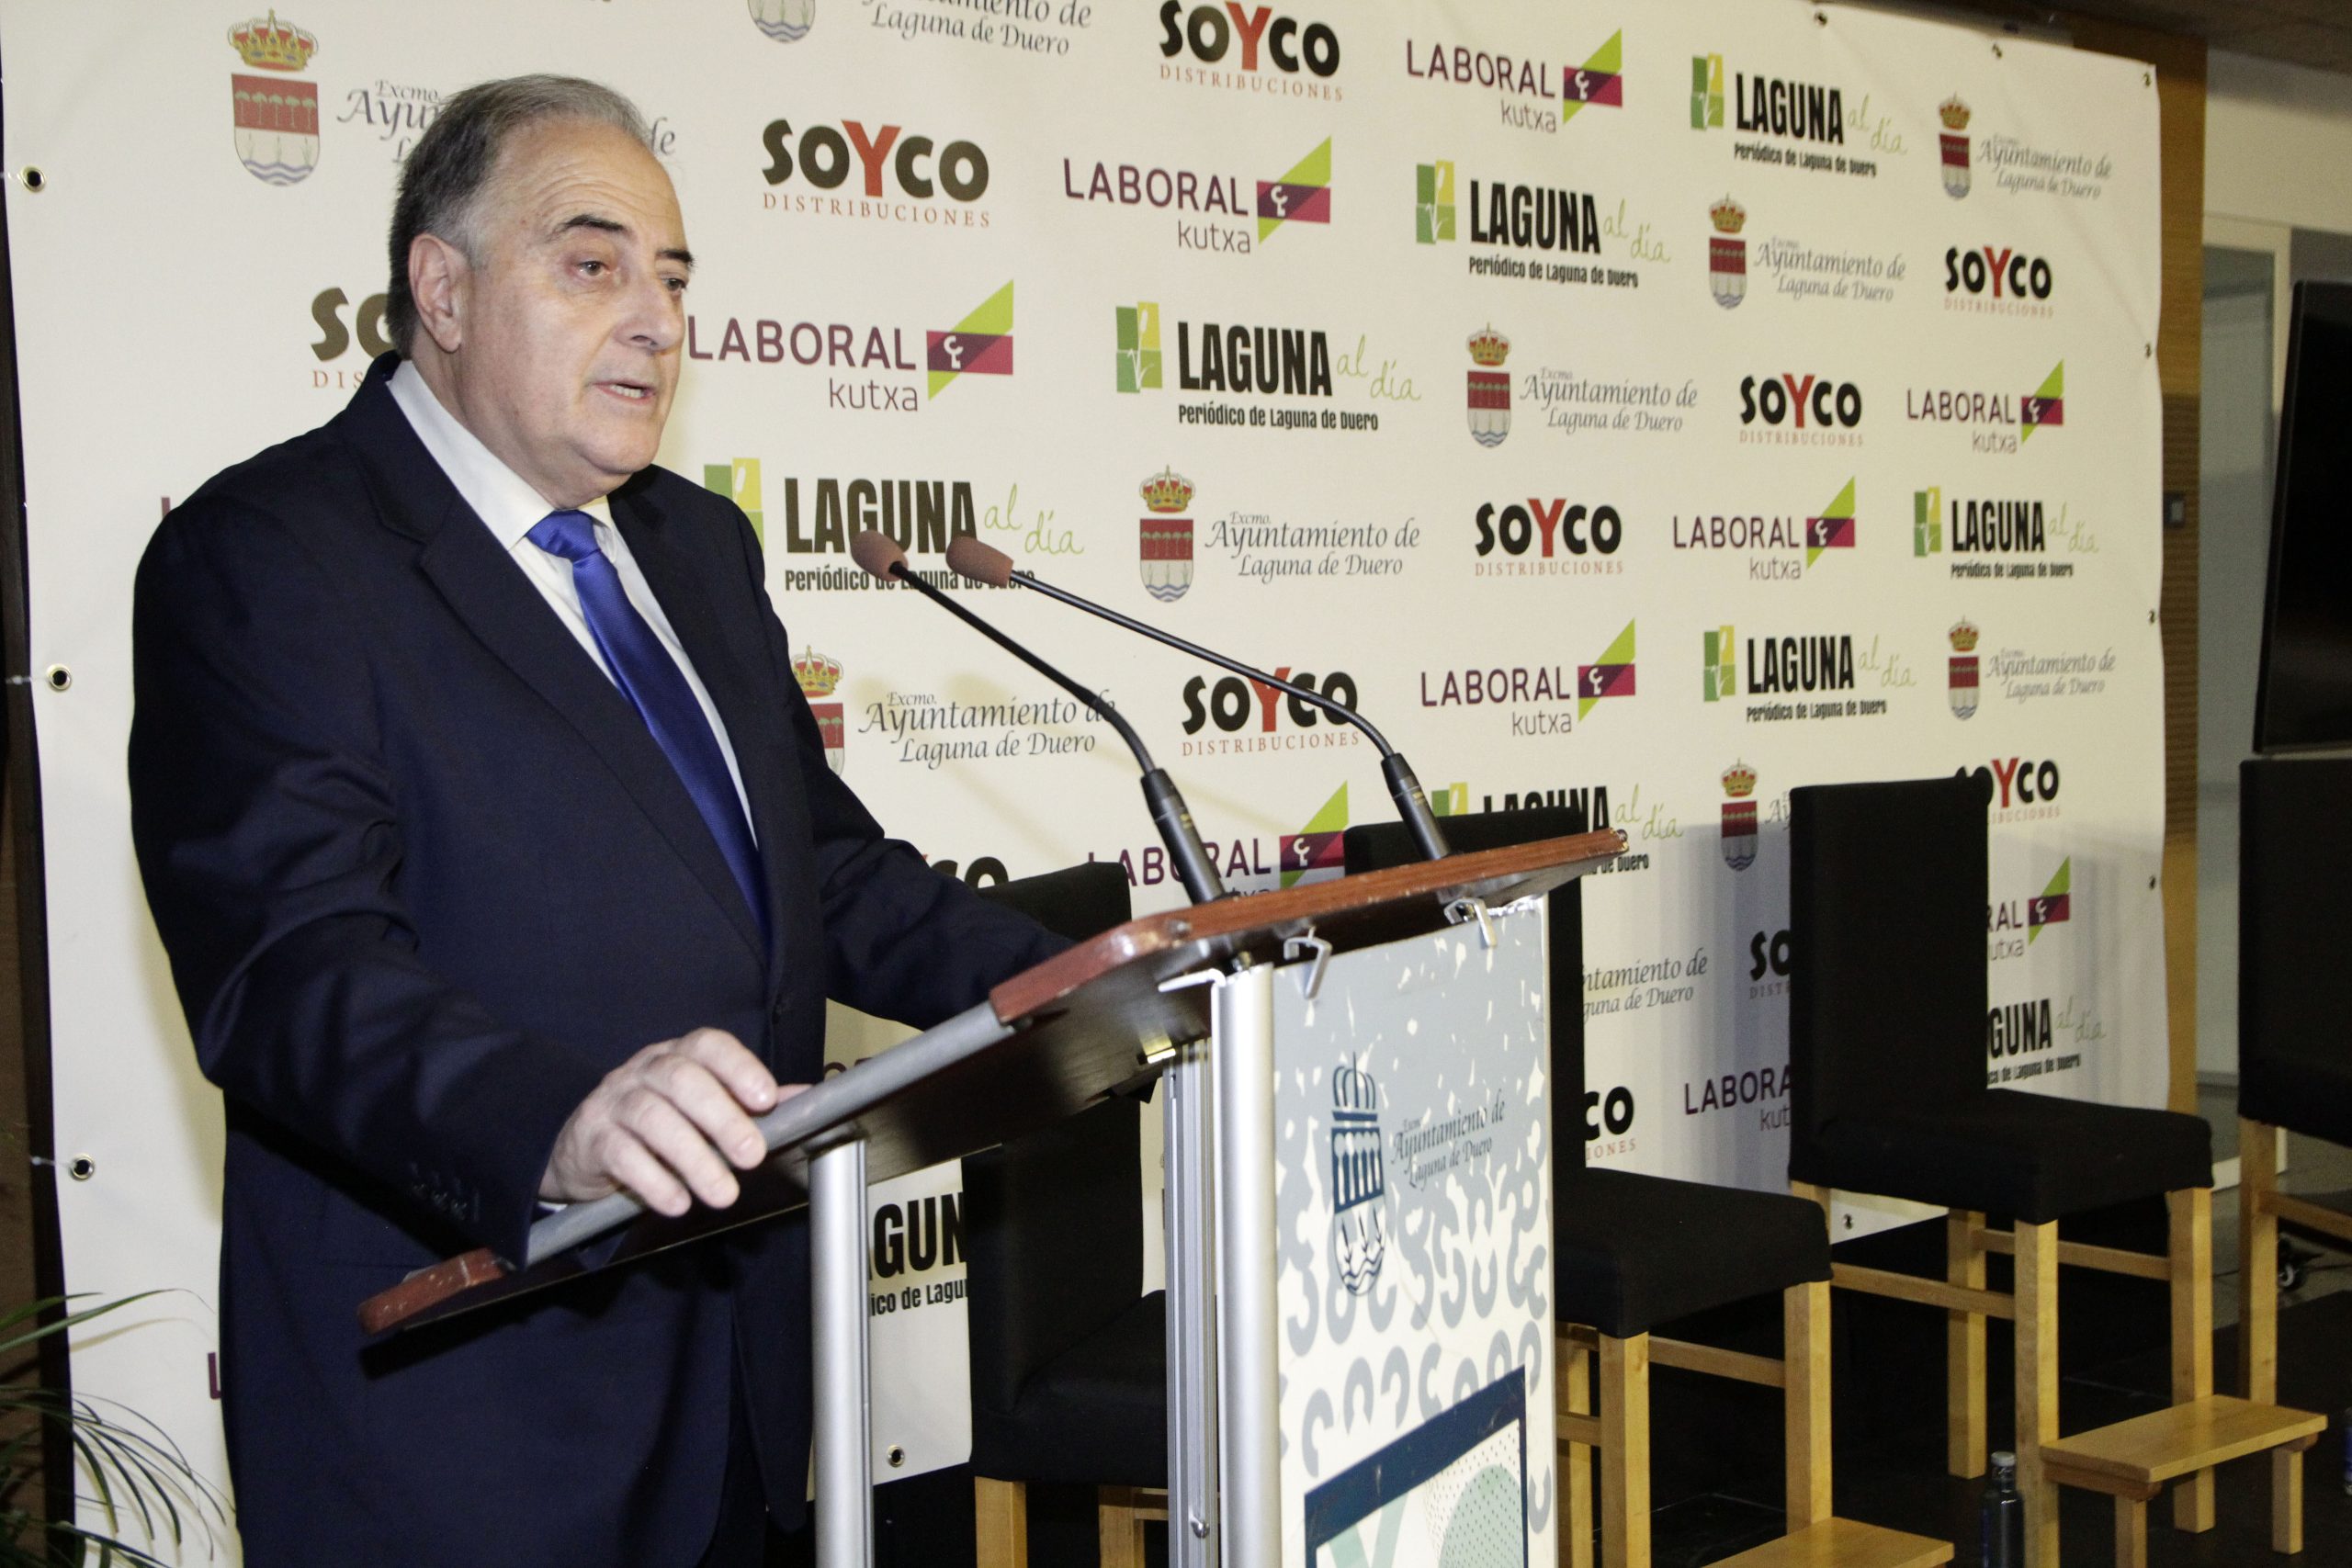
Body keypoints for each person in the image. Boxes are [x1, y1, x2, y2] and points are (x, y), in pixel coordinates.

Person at [127, 75, 1062, 1568]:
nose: (655, 320)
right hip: (470, 1422)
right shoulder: (270, 556)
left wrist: (1089, 977)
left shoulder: (699, 545)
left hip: (742, 1379)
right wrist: (556, 1122)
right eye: (591, 264)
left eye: (673, 279)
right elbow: (288, 971)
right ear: (442, 289)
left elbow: (814, 870)